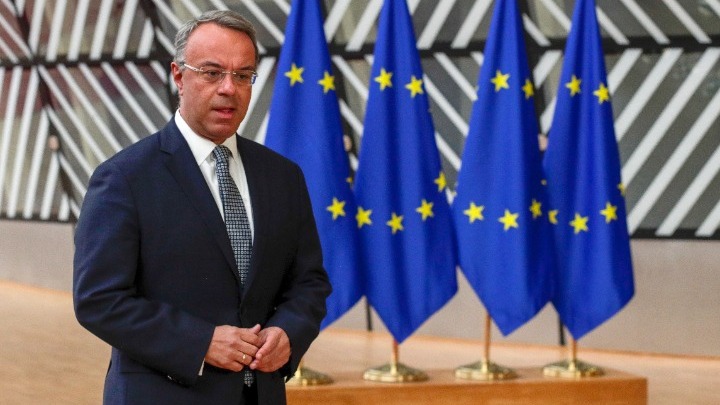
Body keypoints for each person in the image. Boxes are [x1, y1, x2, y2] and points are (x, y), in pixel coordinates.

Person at [73, 10, 331, 405]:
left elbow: (309, 282)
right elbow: (98, 300)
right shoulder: (124, 178)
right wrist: (200, 342)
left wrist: (289, 334)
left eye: (243, 75)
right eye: (212, 73)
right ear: (179, 76)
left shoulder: (283, 177)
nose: (229, 88)